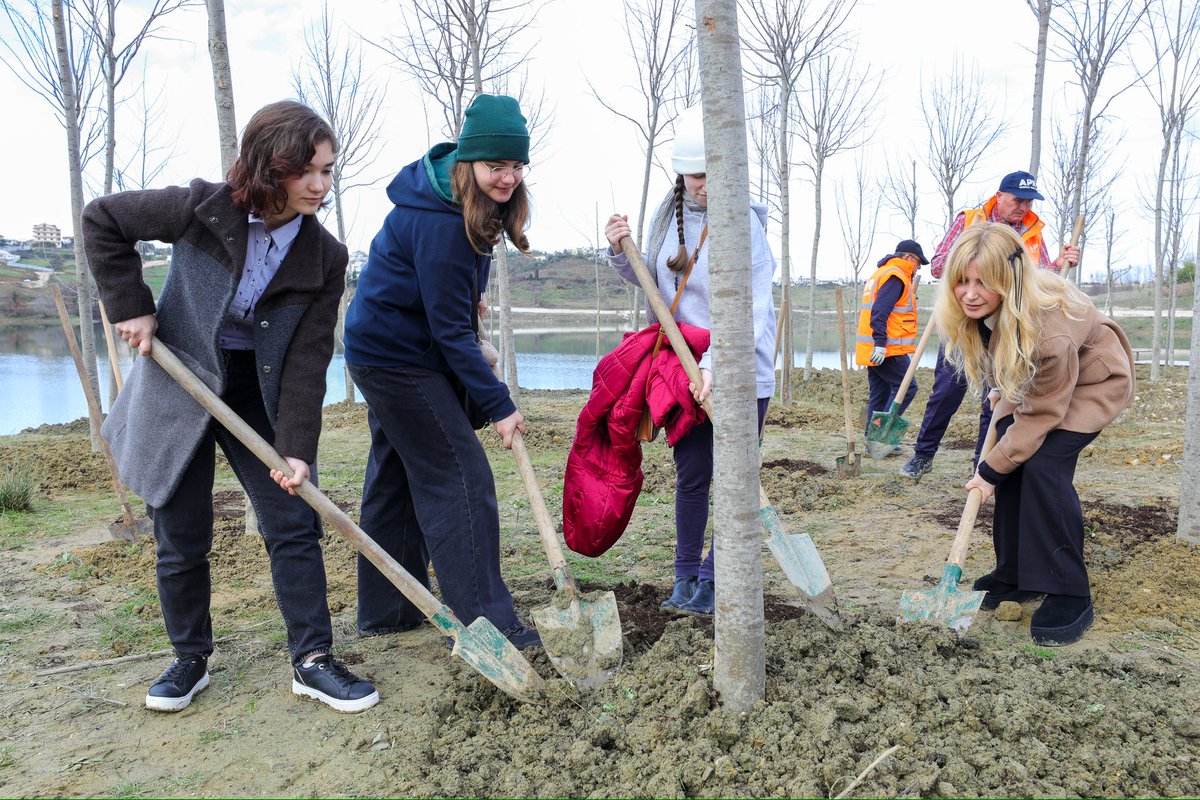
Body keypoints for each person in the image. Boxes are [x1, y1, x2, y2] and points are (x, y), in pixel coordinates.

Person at [83, 100, 379, 713]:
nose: (321, 186)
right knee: (181, 531)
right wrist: (130, 304)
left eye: (328, 171)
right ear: (270, 166)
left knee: (293, 521)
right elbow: (102, 219)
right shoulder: (204, 208)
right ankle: (189, 658)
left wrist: (296, 448)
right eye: (308, 172)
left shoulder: (325, 258)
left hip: (259, 390)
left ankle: (313, 659)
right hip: (181, 375)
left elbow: (306, 358)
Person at [343, 94, 540, 651]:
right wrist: (499, 405)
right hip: (398, 358)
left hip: (387, 345)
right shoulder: (442, 222)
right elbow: (450, 335)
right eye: (496, 165)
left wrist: (463, 301)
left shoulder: (451, 199)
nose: (507, 177)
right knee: (460, 476)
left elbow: (444, 303)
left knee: (396, 473)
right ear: (469, 161)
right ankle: (490, 625)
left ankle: (388, 610)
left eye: (516, 165)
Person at [603, 105, 777, 616]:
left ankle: (714, 575)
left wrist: (719, 369)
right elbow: (656, 287)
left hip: (742, 370)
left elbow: (755, 308)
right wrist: (620, 250)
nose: (706, 185)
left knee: (734, 475)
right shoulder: (667, 215)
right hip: (682, 366)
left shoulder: (744, 224)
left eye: (714, 173)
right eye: (698, 175)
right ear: (682, 174)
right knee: (693, 472)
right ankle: (685, 575)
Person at [942, 223, 1134, 646]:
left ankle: (1069, 590)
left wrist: (989, 472)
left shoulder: (1049, 333)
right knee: (1014, 457)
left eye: (984, 283)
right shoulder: (980, 311)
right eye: (963, 281)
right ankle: (1016, 575)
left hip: (1092, 381)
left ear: (1008, 281)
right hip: (1040, 379)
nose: (970, 293)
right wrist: (999, 388)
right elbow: (1006, 355)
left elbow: (1043, 414)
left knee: (1043, 463)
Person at [900, 171, 1080, 480]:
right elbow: (941, 264)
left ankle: (982, 468)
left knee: (996, 399)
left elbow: (1043, 277)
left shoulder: (1032, 232)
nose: (1023, 207)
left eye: (1028, 202)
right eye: (1017, 200)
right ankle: (923, 455)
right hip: (967, 324)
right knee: (946, 391)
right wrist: (977, 260)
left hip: (1007, 329)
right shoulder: (970, 219)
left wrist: (1063, 262)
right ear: (1000, 196)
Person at [856, 239, 927, 445]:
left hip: (875, 347)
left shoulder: (881, 273)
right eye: (917, 262)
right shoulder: (895, 276)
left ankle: (872, 438)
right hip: (886, 348)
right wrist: (880, 343)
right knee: (907, 387)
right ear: (907, 257)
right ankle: (881, 437)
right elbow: (879, 312)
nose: (918, 267)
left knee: (880, 392)